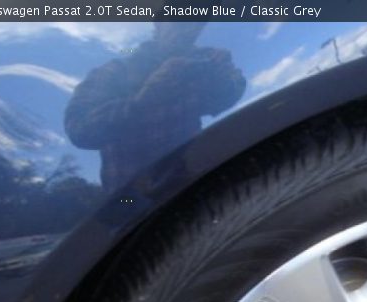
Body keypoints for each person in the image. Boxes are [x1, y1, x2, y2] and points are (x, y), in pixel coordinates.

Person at [65, 22, 246, 190]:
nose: (187, 29)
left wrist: (222, 78)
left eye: (195, 23)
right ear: (158, 24)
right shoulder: (115, 71)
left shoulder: (203, 63)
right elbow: (79, 130)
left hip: (191, 186)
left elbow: (223, 100)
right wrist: (144, 100)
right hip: (129, 201)